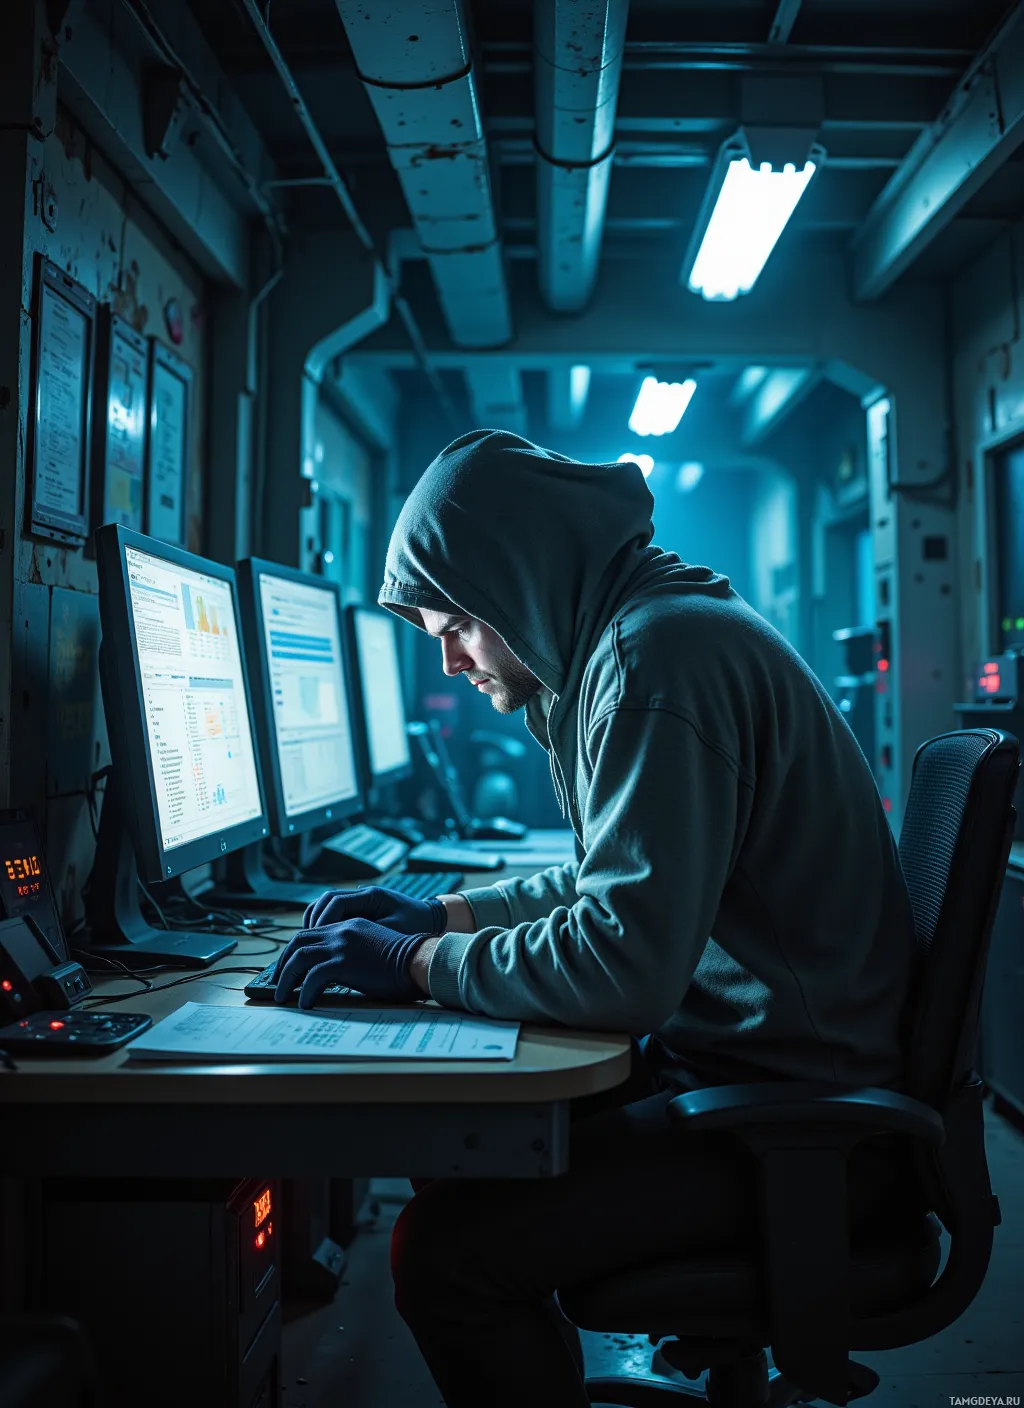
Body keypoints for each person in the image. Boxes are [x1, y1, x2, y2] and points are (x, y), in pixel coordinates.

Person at [272, 430, 921, 1407]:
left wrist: (412, 962)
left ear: (520, 583)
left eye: (458, 624)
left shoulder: (655, 663)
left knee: (443, 1256)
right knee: (465, 1147)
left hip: (806, 1133)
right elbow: (607, 880)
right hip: (761, 1079)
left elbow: (623, 967)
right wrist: (437, 911)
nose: (449, 660)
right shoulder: (647, 633)